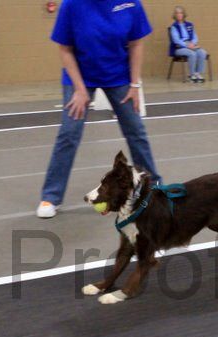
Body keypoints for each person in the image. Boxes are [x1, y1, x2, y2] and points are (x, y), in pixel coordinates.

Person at [37, 0, 162, 219]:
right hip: (80, 77)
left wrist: (134, 85)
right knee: (69, 133)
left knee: (136, 131)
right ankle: (51, 196)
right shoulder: (71, 5)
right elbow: (65, 49)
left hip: (119, 76)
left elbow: (136, 44)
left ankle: (154, 186)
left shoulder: (131, 4)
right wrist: (79, 90)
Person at [170, 6, 208, 83]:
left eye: (181, 13)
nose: (179, 14)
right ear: (175, 15)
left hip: (191, 45)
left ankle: (198, 74)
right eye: (177, 13)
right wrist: (187, 45)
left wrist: (193, 44)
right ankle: (192, 75)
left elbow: (195, 37)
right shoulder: (174, 27)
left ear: (184, 14)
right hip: (179, 48)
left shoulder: (189, 25)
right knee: (192, 54)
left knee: (202, 52)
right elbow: (176, 40)